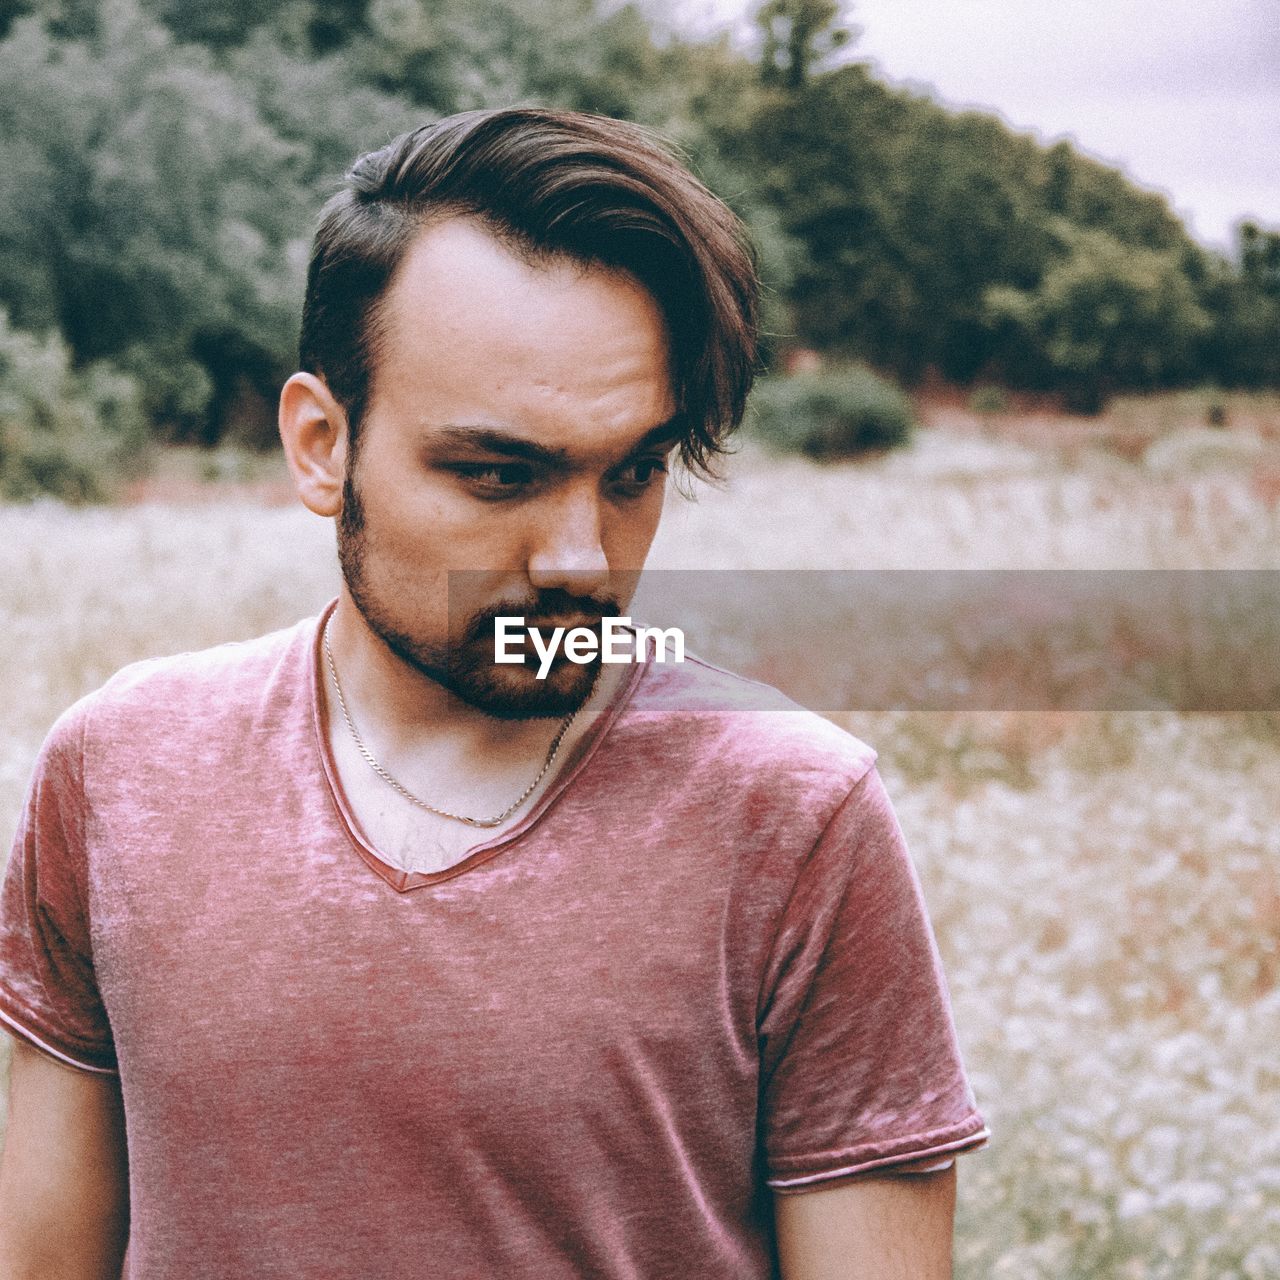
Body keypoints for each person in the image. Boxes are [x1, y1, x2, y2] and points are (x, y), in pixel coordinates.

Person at [0, 107, 987, 1279]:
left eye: (633, 471)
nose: (580, 554)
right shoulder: (122, 766)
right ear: (321, 443)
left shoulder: (795, 814)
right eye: (497, 473)